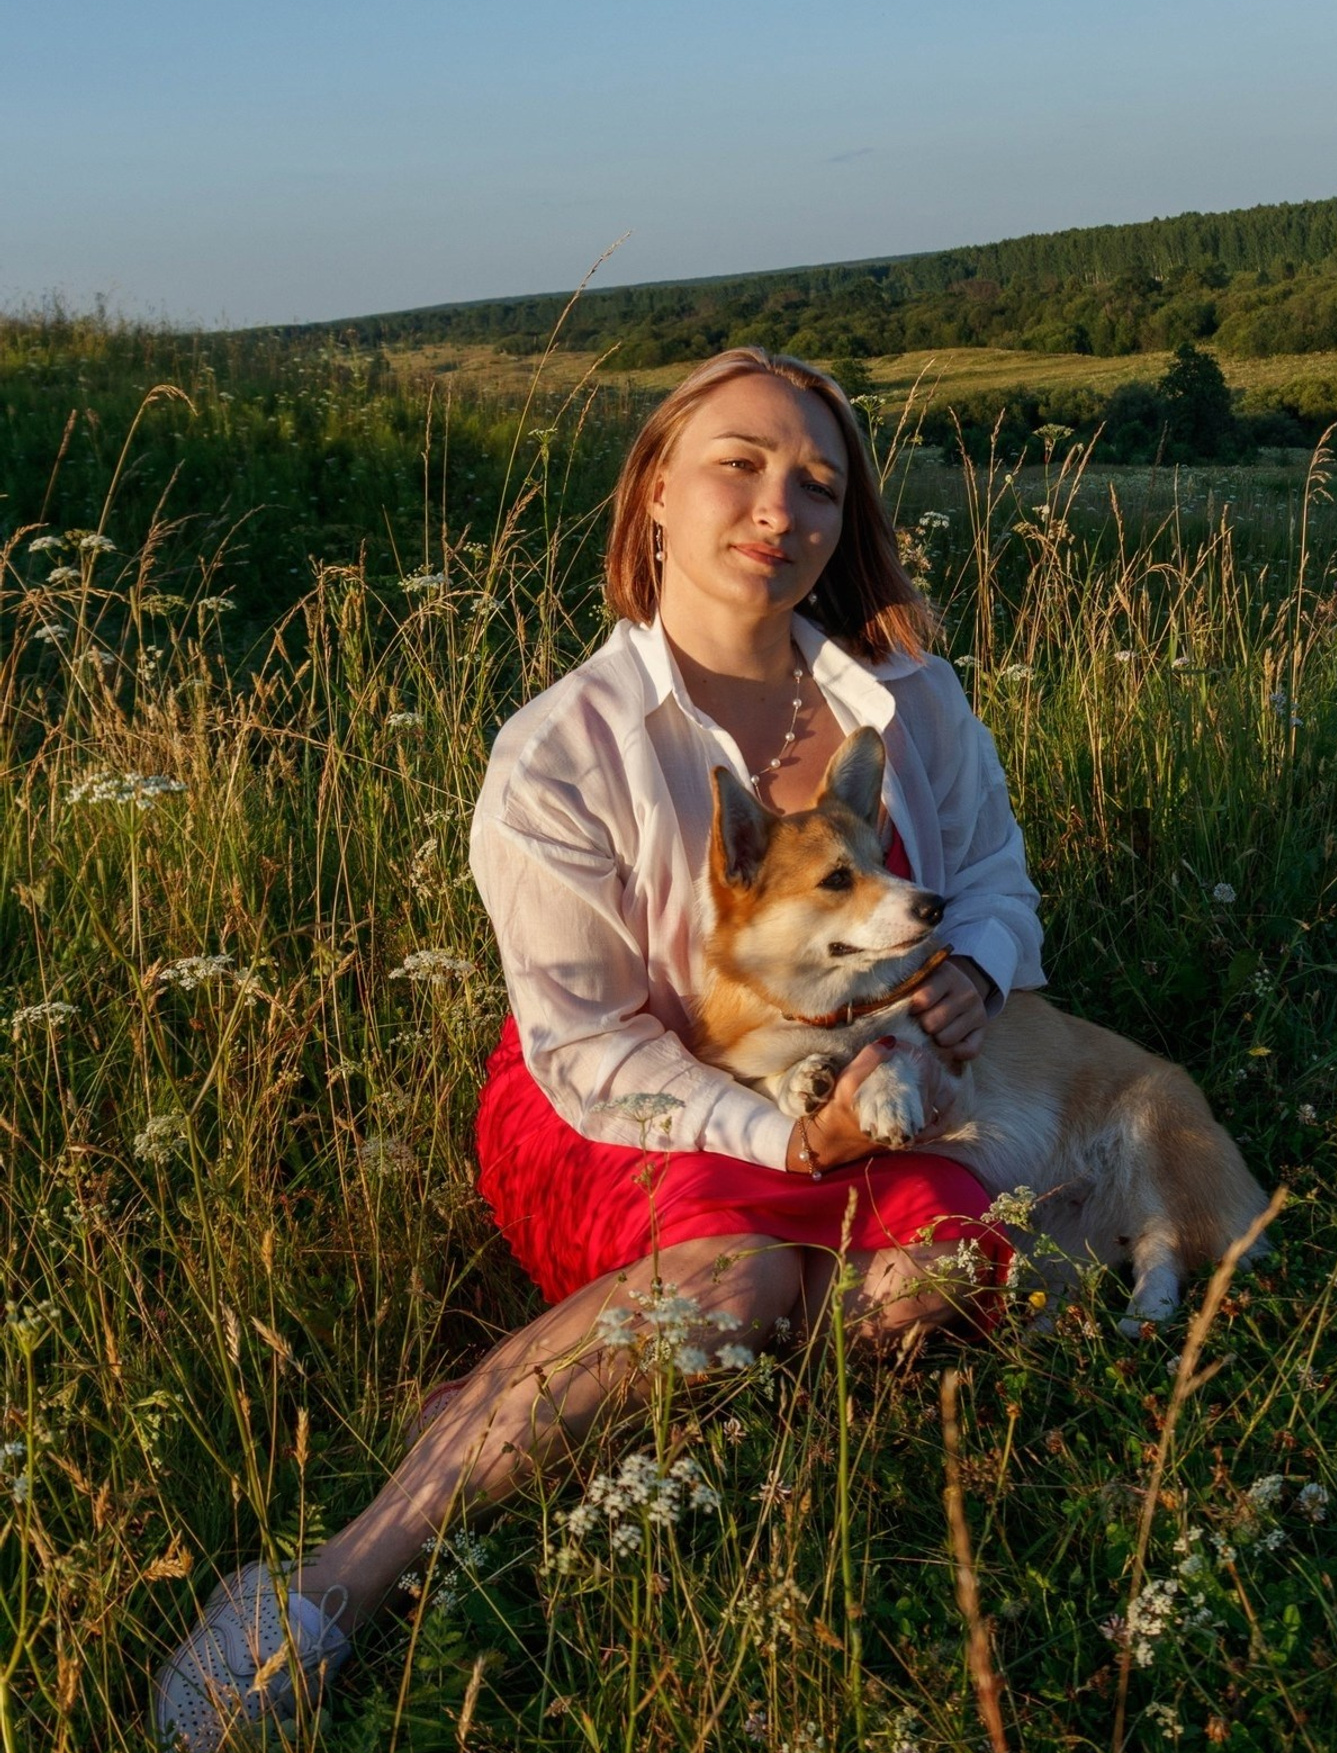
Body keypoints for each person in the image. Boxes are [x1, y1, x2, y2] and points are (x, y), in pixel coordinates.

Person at [152, 348, 1046, 1749]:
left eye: (818, 481)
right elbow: (586, 1046)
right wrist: (781, 1142)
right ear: (654, 502)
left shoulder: (908, 703)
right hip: (626, 1102)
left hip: (871, 1087)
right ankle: (332, 1586)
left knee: (936, 1285)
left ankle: (556, 1382)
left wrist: (982, 973)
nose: (780, 506)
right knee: (736, 1278)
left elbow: (995, 875)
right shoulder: (561, 750)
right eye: (738, 465)